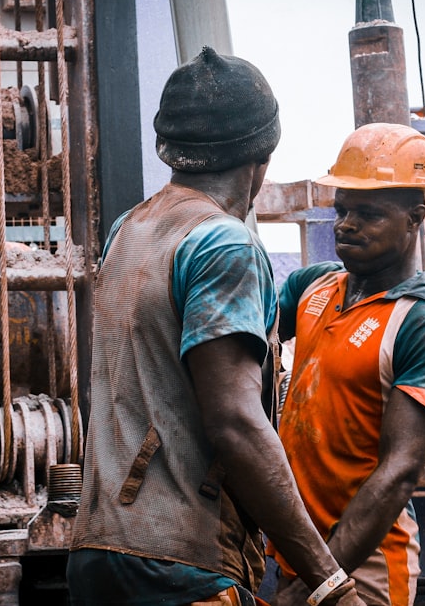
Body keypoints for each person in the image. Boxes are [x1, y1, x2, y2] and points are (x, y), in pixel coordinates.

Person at [67, 47, 365, 606]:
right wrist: (330, 582)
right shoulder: (223, 242)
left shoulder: (131, 228)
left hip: (99, 553)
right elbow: (235, 422)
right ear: (262, 155)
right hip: (181, 567)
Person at [270, 123, 425, 606]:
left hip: (364, 570)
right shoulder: (313, 288)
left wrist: (320, 582)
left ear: (414, 218)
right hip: (295, 554)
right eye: (341, 210)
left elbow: (398, 471)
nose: (345, 224)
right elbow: (240, 343)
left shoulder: (423, 325)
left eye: (369, 213)